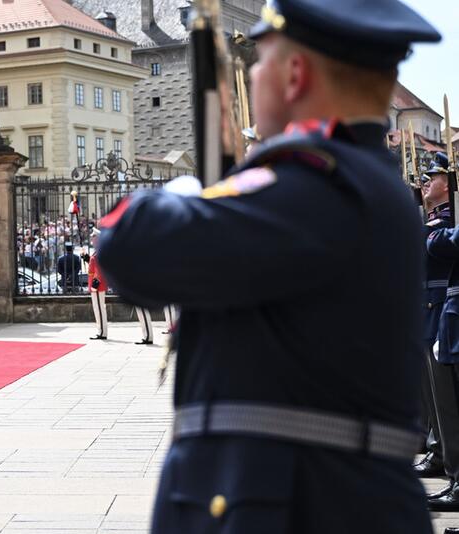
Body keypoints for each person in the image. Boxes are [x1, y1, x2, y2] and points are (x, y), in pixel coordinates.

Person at [95, 1, 440, 532]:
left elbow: (129, 249)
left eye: (258, 62)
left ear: (295, 75)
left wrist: (190, 190)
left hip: (292, 503)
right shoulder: (361, 181)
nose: (249, 77)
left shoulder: (320, 186)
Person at [417, 155, 459, 510]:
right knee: (437, 398)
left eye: (433, 176)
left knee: (447, 401)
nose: (426, 182)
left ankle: (450, 466)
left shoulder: (446, 221)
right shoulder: (434, 220)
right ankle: (439, 454)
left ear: (449, 182)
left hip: (441, 308)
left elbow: (435, 248)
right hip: (432, 309)